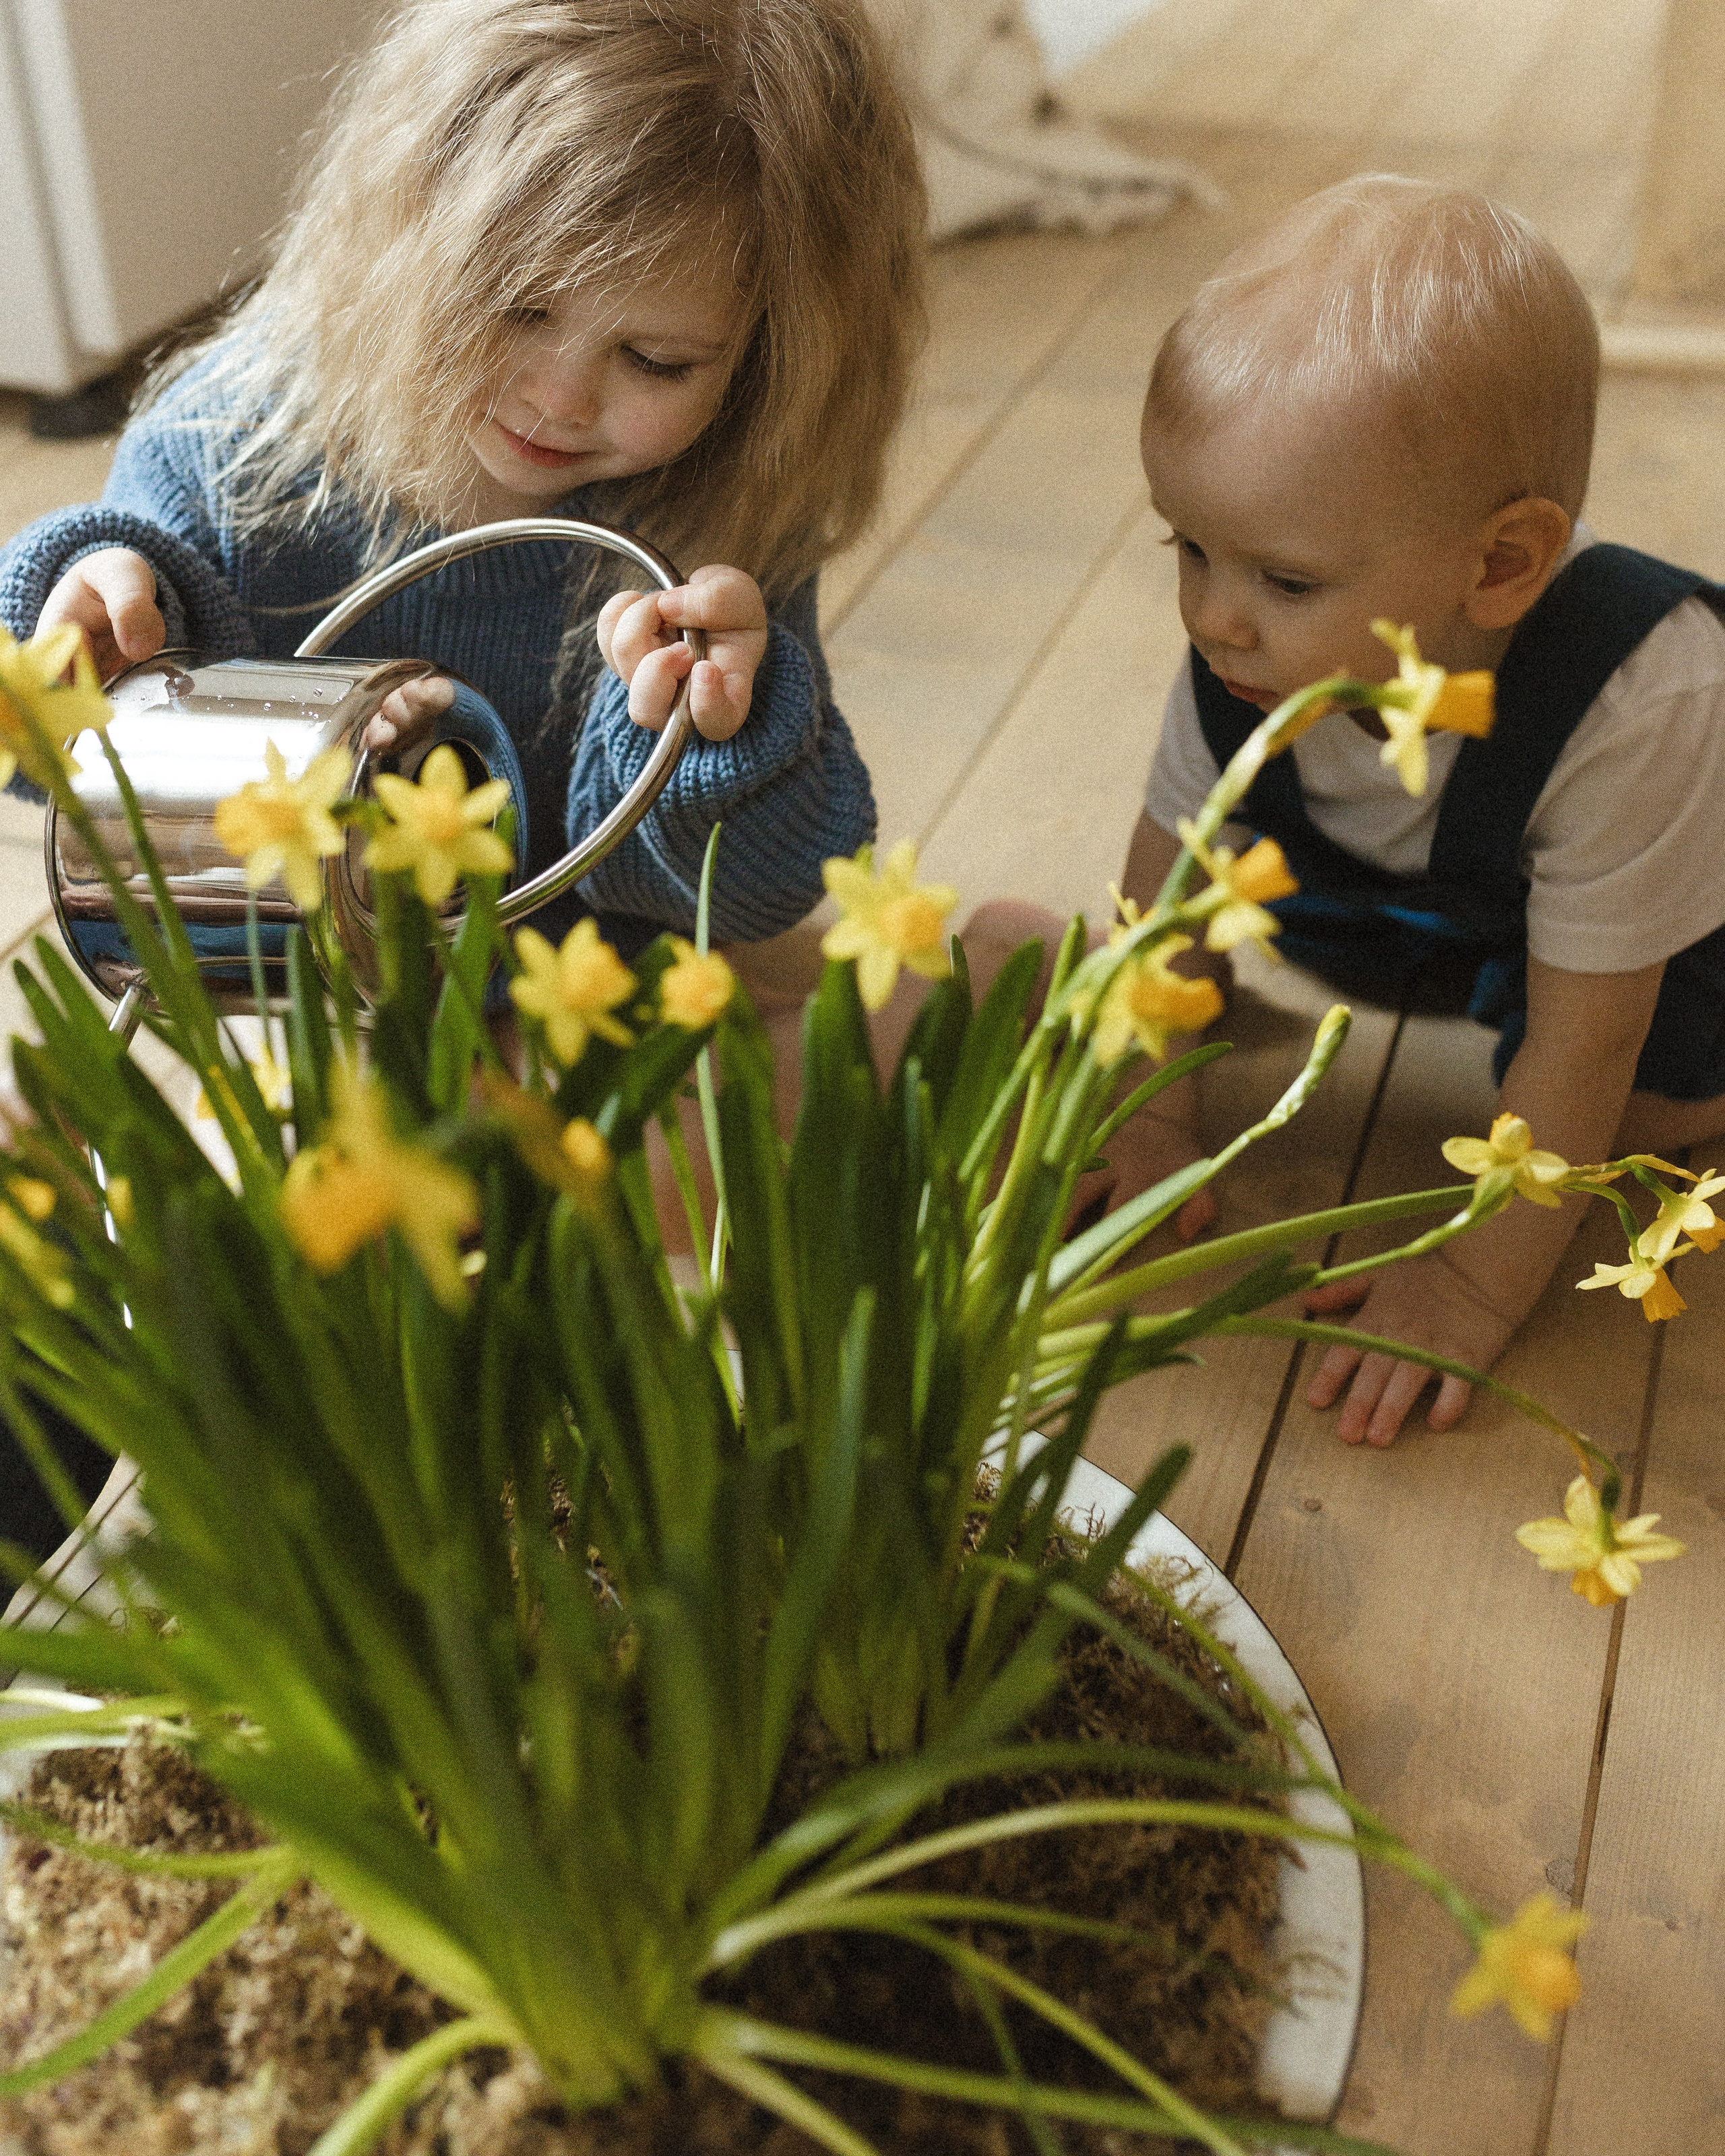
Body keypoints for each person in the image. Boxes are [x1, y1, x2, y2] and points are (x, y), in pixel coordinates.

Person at [0, 0, 926, 1556]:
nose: (561, 398)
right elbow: (92, 786)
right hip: (312, 1004)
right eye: (516, 306)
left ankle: (922, 1015)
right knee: (131, 1183)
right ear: (403, 234)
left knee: (626, 1164)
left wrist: (703, 731)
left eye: (653, 357)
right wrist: (93, 612)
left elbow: (748, 886)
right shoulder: (242, 434)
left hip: (590, 983)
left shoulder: (715, 509)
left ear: (768, 356)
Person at [979, 173, 1725, 1447]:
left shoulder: (1642, 700)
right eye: (1187, 548)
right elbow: (1169, 894)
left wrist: (1472, 1286)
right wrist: (1151, 1114)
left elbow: (1589, 1043)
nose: (1214, 615)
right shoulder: (1261, 647)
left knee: (1635, 1110)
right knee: (1212, 917)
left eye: (1283, 578)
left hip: (1671, 928)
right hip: (1424, 903)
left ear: (1501, 565)